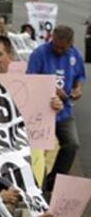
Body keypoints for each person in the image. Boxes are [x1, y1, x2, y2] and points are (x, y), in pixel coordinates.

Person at [28, 25, 86, 193]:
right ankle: (35, 184)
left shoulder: (76, 55)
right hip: (41, 111)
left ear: (71, 43)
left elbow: (79, 77)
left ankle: (52, 182)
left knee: (72, 144)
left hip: (64, 111)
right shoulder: (40, 53)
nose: (59, 50)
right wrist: (50, 89)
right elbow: (30, 79)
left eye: (63, 47)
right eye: (56, 46)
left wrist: (77, 89)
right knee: (40, 152)